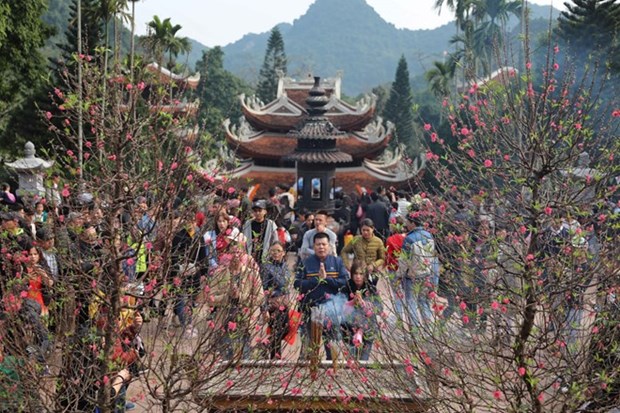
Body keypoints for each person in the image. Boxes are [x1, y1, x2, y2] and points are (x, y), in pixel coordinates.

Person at [294, 232, 349, 360]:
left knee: (333, 347)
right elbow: (297, 284)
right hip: (310, 309)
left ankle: (334, 373)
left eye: (324, 244)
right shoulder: (305, 263)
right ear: (314, 246)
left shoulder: (337, 262)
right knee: (309, 348)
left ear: (329, 246)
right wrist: (315, 280)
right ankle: (306, 374)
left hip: (331, 311)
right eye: (318, 244)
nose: (321, 247)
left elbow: (345, 283)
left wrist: (327, 279)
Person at [395, 206, 440, 328]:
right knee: (424, 301)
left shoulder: (409, 239)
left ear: (413, 223)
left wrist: (399, 275)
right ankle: (429, 329)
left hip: (413, 277)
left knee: (411, 303)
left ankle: (414, 330)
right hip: (427, 275)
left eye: (408, 222)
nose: (406, 225)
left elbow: (404, 261)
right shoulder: (429, 235)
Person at [342, 260, 381, 361]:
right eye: (355, 273)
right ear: (351, 274)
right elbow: (340, 307)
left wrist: (365, 304)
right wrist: (351, 303)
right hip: (350, 326)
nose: (358, 277)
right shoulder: (347, 286)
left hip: (368, 326)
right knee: (351, 358)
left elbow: (379, 308)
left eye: (361, 274)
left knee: (364, 360)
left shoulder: (371, 287)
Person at [259, 241, 291, 359]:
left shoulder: (285, 266)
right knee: (276, 330)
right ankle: (275, 358)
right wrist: (264, 309)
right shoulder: (266, 267)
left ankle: (265, 344)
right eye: (273, 250)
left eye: (278, 251)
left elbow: (286, 286)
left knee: (285, 329)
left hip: (285, 304)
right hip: (273, 304)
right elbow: (263, 289)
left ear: (283, 253)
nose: (275, 253)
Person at [242, 199, 278, 264]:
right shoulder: (248, 224)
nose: (257, 213)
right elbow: (243, 241)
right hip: (250, 258)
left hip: (266, 257)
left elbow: (275, 241)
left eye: (259, 211)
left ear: (265, 211)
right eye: (255, 211)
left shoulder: (271, 224)